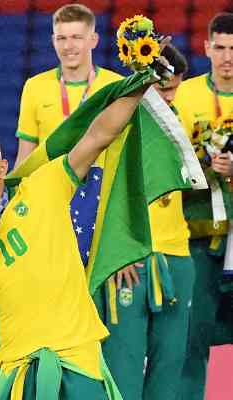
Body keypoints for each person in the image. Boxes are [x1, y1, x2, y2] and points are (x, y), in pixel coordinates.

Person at [0, 74, 159, 397]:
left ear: (2, 169)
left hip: (79, 362)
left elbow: (99, 135)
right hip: (22, 374)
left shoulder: (43, 186)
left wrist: (143, 81)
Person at [98, 44, 196, 400]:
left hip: (177, 254)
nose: (169, 98)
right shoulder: (118, 124)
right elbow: (100, 189)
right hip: (130, 259)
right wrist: (117, 249)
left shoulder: (182, 122)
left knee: (169, 367)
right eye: (163, 88)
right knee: (122, 368)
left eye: (175, 88)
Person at [173, 12, 233, 400]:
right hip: (199, 232)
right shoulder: (185, 95)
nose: (228, 57)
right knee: (193, 336)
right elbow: (170, 160)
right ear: (207, 47)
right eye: (222, 48)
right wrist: (201, 164)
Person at [15, 3, 121, 167]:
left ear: (93, 40)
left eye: (76, 38)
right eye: (61, 38)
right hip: (51, 188)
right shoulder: (35, 87)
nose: (68, 46)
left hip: (99, 189)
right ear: (53, 41)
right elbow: (25, 158)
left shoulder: (115, 86)